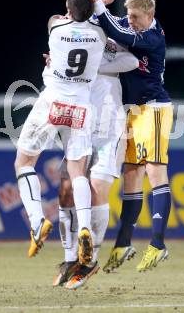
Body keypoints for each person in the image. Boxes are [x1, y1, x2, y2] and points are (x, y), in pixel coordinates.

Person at [75, 0, 173, 273]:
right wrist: (100, 4)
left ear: (149, 14)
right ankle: (123, 244)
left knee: (155, 171)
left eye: (135, 18)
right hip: (129, 112)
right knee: (131, 177)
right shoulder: (130, 24)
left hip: (153, 108)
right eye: (128, 16)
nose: (130, 21)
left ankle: (158, 245)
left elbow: (115, 31)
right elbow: (100, 23)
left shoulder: (153, 37)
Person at [14, 0, 107, 265]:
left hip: (53, 101)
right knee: (78, 171)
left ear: (68, 8)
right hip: (81, 105)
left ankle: (37, 221)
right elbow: (94, 20)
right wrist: (100, 4)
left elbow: (64, 19)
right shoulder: (100, 34)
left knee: (24, 162)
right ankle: (86, 227)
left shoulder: (55, 26)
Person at [53, 39, 139, 289]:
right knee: (66, 191)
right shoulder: (68, 42)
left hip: (108, 129)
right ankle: (70, 259)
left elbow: (132, 61)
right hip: (78, 127)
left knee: (97, 186)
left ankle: (89, 262)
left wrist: (94, 65)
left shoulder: (108, 42)